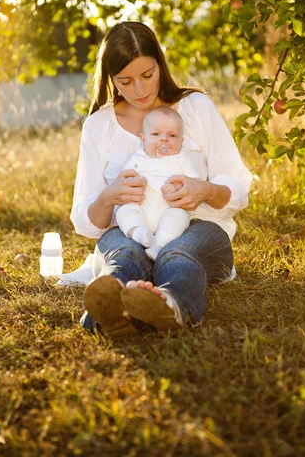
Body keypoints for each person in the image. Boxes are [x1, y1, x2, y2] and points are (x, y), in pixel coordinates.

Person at [70, 21, 253, 338]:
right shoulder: (98, 126)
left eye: (147, 75)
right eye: (125, 81)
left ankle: (169, 303)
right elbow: (87, 222)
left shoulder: (194, 107)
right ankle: (107, 303)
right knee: (122, 254)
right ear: (111, 79)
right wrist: (110, 196)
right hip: (129, 230)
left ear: (161, 65)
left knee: (179, 253)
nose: (139, 90)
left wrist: (205, 190)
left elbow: (237, 188)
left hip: (198, 231)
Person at [116, 106, 200, 261]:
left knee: (180, 216)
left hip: (168, 209)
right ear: (143, 139)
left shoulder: (181, 160)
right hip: (141, 207)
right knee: (124, 212)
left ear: (181, 142)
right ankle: (139, 233)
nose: (164, 139)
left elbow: (194, 184)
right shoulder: (137, 159)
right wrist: (133, 184)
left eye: (172, 135)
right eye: (156, 134)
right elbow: (124, 181)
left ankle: (159, 246)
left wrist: (176, 187)